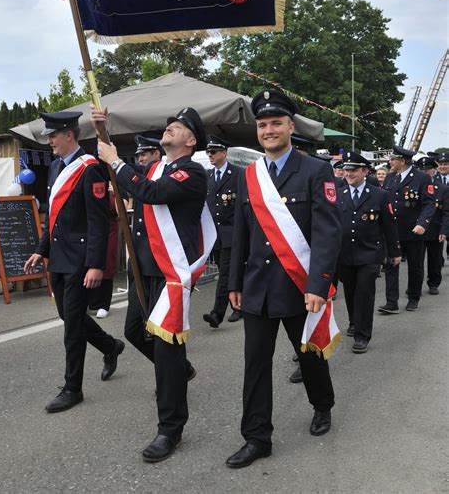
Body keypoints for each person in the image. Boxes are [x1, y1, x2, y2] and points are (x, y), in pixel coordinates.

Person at [91, 105, 214, 463]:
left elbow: (151, 192)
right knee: (133, 331)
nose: (170, 128)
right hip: (144, 269)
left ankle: (170, 429)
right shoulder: (157, 166)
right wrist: (103, 129)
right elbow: (127, 178)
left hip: (170, 274)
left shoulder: (192, 171)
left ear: (190, 140)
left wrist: (116, 161)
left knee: (166, 346)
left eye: (178, 127)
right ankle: (178, 368)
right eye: (170, 125)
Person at [226, 89, 342, 469]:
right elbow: (240, 234)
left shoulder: (315, 170)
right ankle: (257, 438)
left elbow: (327, 232)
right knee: (255, 365)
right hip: (257, 287)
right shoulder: (248, 176)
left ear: (291, 127)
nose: (269, 130)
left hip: (298, 286)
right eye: (263, 125)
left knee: (309, 355)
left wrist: (319, 285)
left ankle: (322, 405)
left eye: (276, 123)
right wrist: (234, 283)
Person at [24, 111, 125, 413]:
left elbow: (97, 221)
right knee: (72, 318)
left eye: (53, 135)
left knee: (72, 327)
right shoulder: (56, 167)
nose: (49, 141)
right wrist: (41, 249)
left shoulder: (90, 169)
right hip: (58, 257)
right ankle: (110, 346)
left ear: (69, 135)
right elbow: (53, 217)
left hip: (80, 260)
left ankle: (73, 388)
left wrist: (95, 264)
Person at [337, 152, 401, 353]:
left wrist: (394, 251)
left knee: (365, 293)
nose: (348, 173)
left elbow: (389, 225)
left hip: (370, 253)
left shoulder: (380, 194)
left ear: (365, 171)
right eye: (346, 170)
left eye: (353, 170)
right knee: (350, 291)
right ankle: (354, 322)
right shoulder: (338, 194)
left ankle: (362, 334)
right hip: (345, 254)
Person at [378, 146, 435, 314]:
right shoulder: (389, 178)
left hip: (413, 230)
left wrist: (422, 223)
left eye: (393, 159)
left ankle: (414, 297)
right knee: (391, 265)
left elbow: (429, 204)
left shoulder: (422, 178)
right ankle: (391, 302)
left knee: (415, 266)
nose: (390, 162)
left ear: (402, 161)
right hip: (392, 231)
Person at [203, 135, 243, 327]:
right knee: (228, 272)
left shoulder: (238, 174)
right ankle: (239, 306)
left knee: (226, 274)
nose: (210, 155)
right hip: (215, 236)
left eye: (213, 152)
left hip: (233, 233)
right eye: (208, 152)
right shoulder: (208, 176)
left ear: (224, 153)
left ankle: (217, 313)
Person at [415, 157, 449, 294]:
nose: (425, 173)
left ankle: (433, 283)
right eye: (422, 170)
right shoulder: (414, 185)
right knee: (416, 261)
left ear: (434, 171)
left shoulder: (442, 188)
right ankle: (415, 286)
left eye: (427, 170)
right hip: (417, 229)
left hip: (435, 228)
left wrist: (444, 231)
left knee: (435, 259)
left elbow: (447, 212)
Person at [88, 183, 119, 318]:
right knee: (87, 264)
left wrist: (115, 193)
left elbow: (121, 210)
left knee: (106, 264)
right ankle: (88, 302)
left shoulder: (113, 183)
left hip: (108, 229)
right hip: (90, 230)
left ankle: (104, 304)